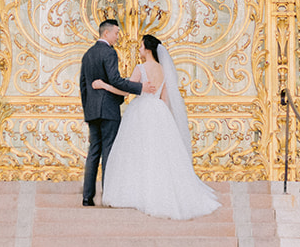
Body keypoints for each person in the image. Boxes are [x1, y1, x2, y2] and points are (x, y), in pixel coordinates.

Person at [93, 33, 221, 220]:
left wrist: (104, 85)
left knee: (137, 152)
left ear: (147, 48)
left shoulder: (141, 68)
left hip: (141, 110)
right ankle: (160, 191)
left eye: (140, 46)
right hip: (159, 111)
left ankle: (138, 192)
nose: (139, 49)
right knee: (159, 154)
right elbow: (165, 98)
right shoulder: (163, 70)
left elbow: (126, 89)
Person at [78, 18, 145, 206]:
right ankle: (108, 194)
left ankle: (87, 197)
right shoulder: (109, 52)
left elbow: (83, 86)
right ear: (106, 33)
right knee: (109, 152)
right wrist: (138, 87)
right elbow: (115, 80)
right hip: (108, 110)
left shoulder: (88, 54)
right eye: (116, 33)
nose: (118, 36)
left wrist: (88, 109)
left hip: (92, 111)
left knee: (93, 153)